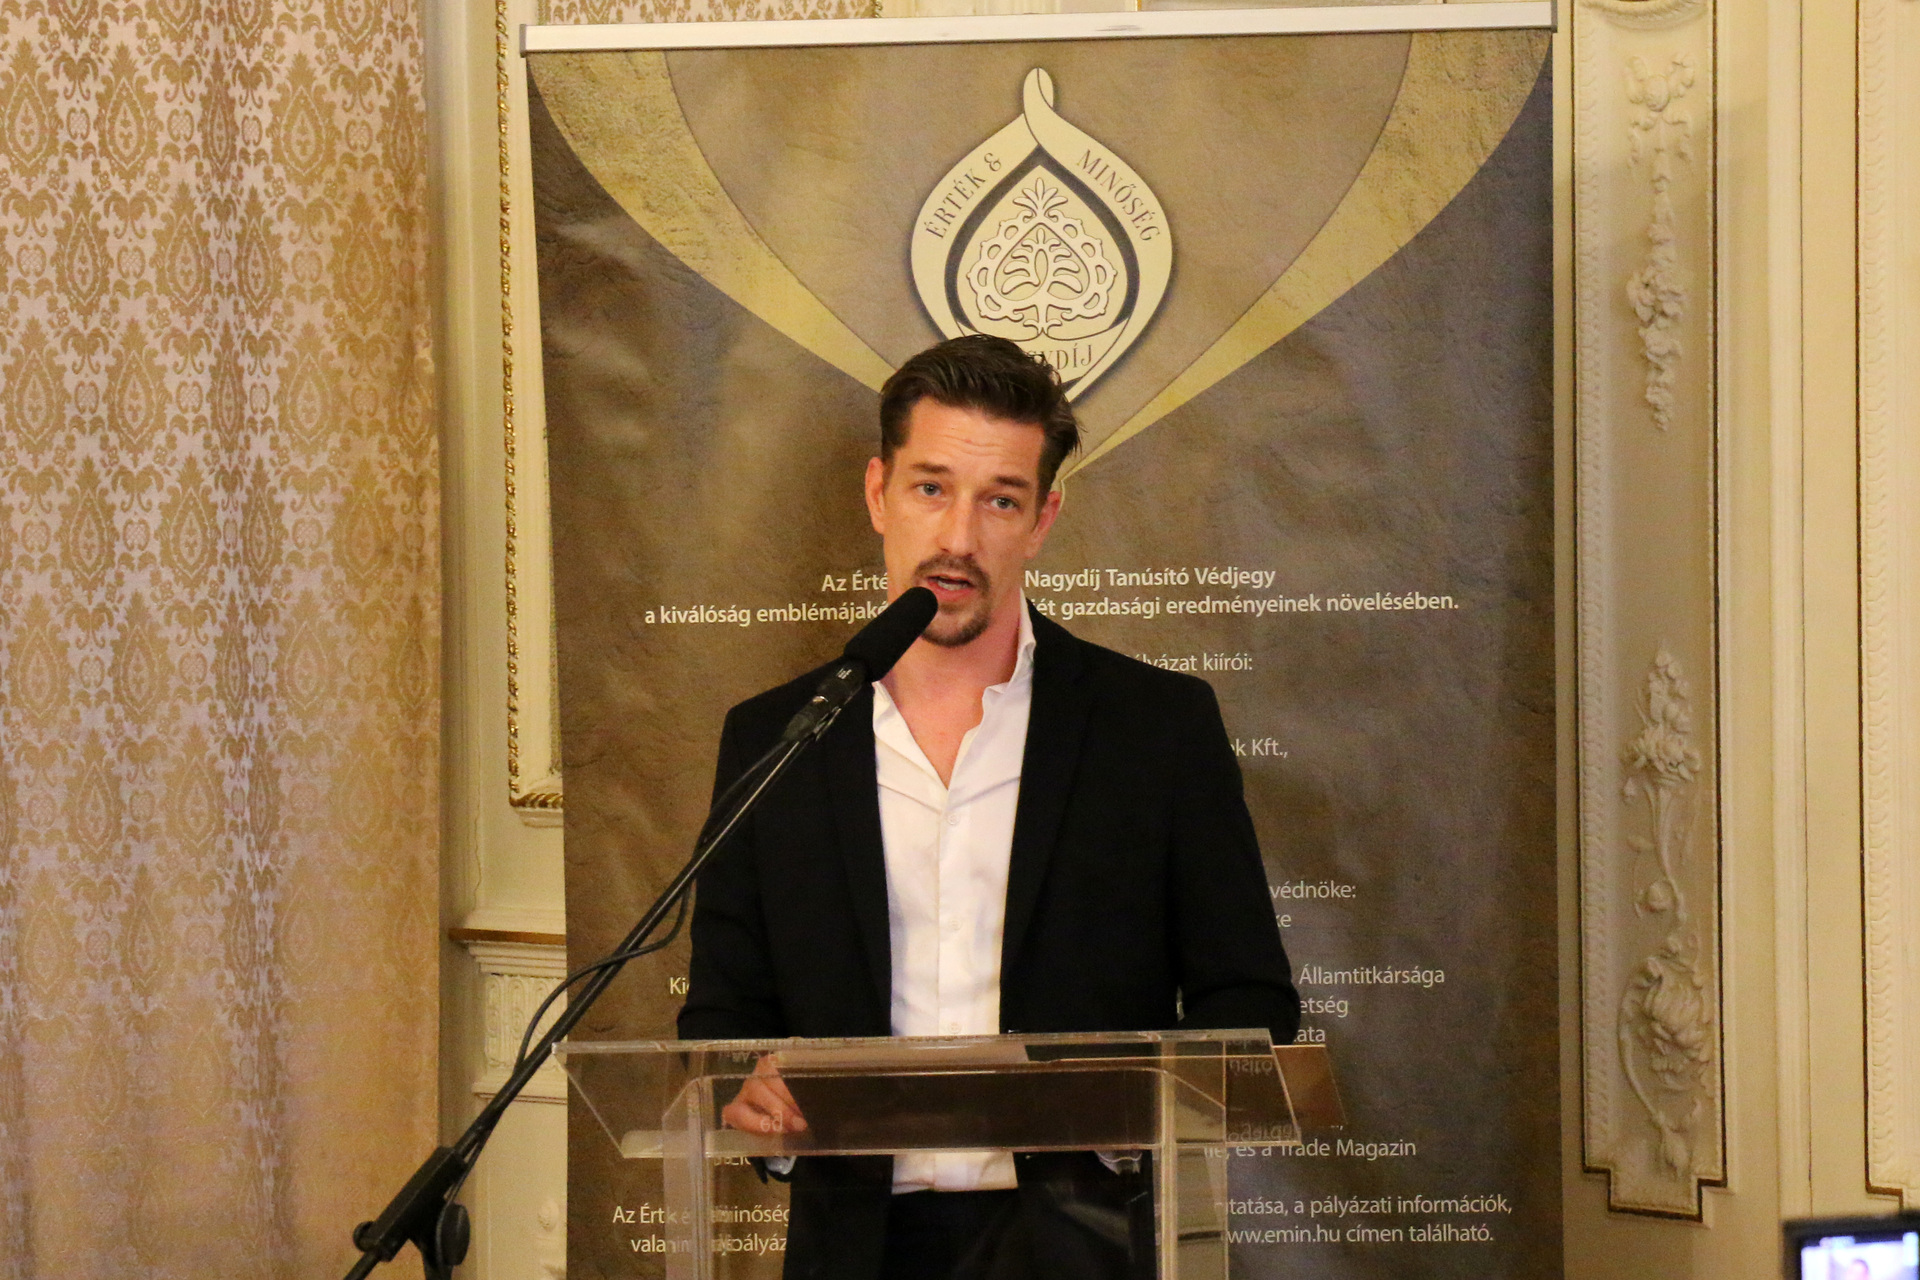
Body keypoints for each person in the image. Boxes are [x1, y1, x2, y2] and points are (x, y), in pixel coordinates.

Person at [678, 334, 1300, 1280]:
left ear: (1043, 518)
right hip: (854, 1250)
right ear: (878, 492)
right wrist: (749, 1093)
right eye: (932, 488)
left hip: (1088, 1246)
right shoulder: (776, 739)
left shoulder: (1156, 728)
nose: (959, 538)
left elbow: (1251, 1001)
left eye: (1000, 499)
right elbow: (723, 1015)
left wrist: (1135, 1109)